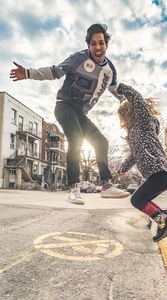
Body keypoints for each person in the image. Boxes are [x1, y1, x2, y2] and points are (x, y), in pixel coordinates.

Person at [10, 23, 130, 205]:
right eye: (93, 44)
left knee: (101, 142)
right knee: (76, 138)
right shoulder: (78, 58)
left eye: (101, 43)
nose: (97, 48)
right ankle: (74, 188)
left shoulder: (110, 70)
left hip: (80, 113)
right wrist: (28, 73)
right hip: (64, 105)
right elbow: (54, 71)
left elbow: (116, 90)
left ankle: (106, 185)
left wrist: (132, 101)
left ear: (106, 45)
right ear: (88, 45)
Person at [117, 83, 167, 242]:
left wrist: (120, 87)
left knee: (136, 200)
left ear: (129, 113)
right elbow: (134, 155)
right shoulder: (133, 134)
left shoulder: (144, 123)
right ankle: (166, 217)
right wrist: (124, 167)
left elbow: (137, 99)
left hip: (159, 174)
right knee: (143, 200)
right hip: (157, 176)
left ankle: (165, 222)